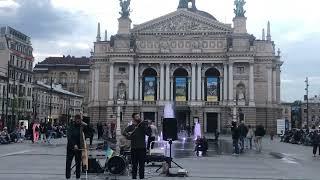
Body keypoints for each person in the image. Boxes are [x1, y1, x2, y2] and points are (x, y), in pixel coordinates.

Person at [123, 113, 151, 179]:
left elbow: (148, 134)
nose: (138, 118)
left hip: (142, 148)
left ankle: (142, 177)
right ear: (133, 118)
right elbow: (124, 132)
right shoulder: (131, 126)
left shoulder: (143, 126)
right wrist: (128, 137)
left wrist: (148, 126)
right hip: (134, 148)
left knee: (142, 165)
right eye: (136, 117)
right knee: (134, 165)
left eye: (139, 116)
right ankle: (134, 177)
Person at [65, 115, 84, 180]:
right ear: (75, 120)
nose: (78, 121)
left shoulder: (81, 126)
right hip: (71, 147)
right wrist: (74, 145)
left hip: (79, 148)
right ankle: (68, 177)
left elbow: (89, 131)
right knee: (68, 162)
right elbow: (69, 137)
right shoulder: (71, 126)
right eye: (77, 119)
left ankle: (78, 177)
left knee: (78, 163)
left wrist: (85, 124)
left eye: (79, 119)